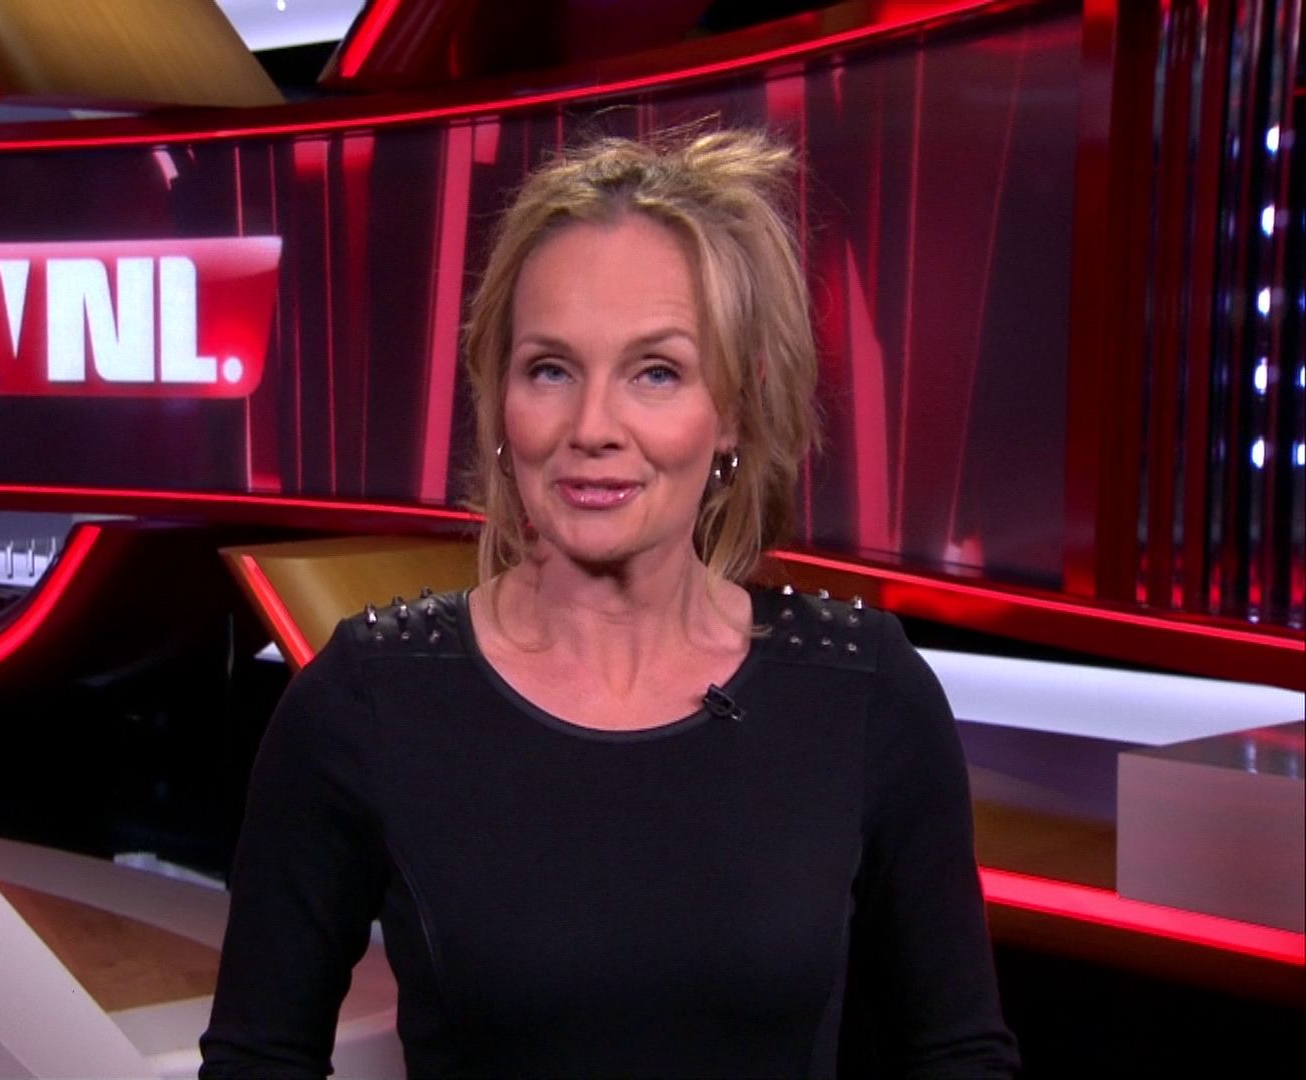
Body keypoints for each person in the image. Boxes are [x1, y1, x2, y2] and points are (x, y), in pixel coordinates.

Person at [200, 129, 1019, 1078]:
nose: (592, 428)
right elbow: (258, 1061)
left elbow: (959, 1058)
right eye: (550, 369)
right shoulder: (367, 699)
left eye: (655, 372)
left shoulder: (864, 690)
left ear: (736, 409)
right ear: (500, 397)